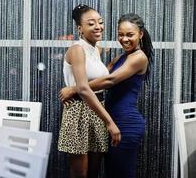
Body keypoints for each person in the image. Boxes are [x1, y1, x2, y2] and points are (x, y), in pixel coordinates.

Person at [59, 13, 154, 178]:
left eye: (130, 34)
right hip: (107, 119)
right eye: (121, 34)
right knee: (110, 172)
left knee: (121, 173)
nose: (124, 39)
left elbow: (110, 80)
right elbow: (102, 73)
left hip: (126, 124)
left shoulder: (139, 57)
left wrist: (74, 89)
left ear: (141, 34)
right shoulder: (122, 57)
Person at [57, 4, 121, 178]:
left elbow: (96, 77)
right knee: (80, 174)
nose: (98, 27)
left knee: (93, 172)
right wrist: (109, 122)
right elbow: (84, 88)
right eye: (91, 23)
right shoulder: (77, 50)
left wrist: (116, 62)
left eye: (100, 22)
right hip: (79, 110)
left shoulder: (95, 49)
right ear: (80, 28)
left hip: (96, 109)